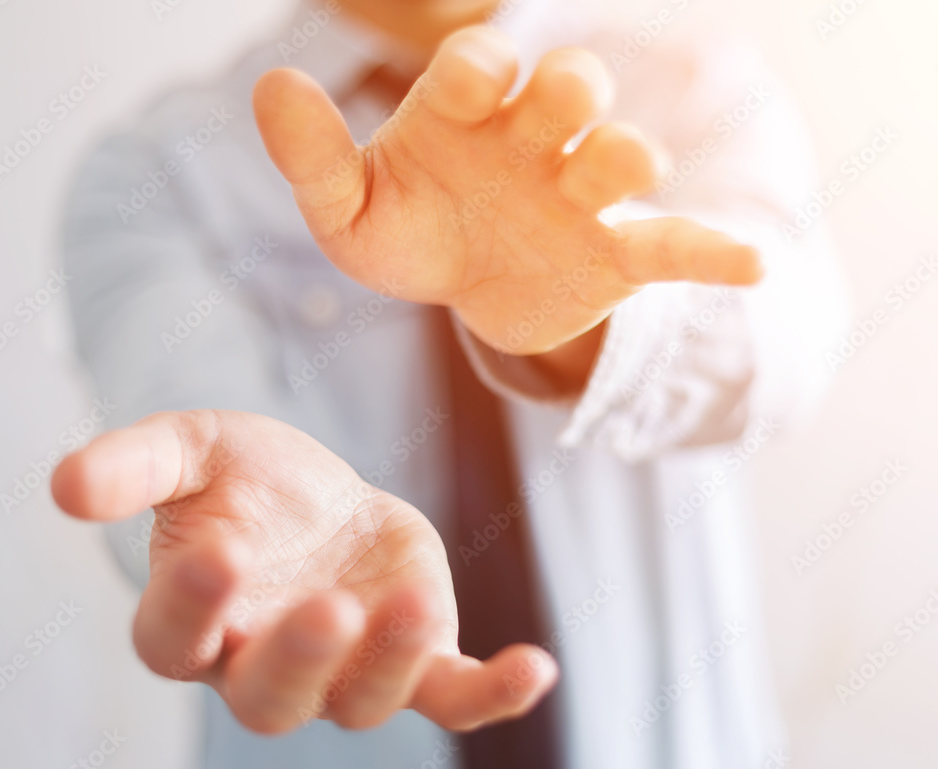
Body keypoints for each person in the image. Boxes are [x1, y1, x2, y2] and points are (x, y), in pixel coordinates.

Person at [52, 0, 847, 766]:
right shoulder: (157, 177)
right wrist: (232, 541)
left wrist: (585, 321)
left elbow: (789, 341)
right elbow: (175, 432)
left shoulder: (690, 82)